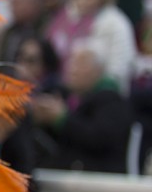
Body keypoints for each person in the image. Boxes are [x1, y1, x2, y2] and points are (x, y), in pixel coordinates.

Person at [31, 38, 137, 173]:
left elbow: (98, 138)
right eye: (71, 61)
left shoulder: (111, 100)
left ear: (98, 70)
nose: (72, 69)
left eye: (81, 63)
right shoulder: (66, 95)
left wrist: (62, 119)